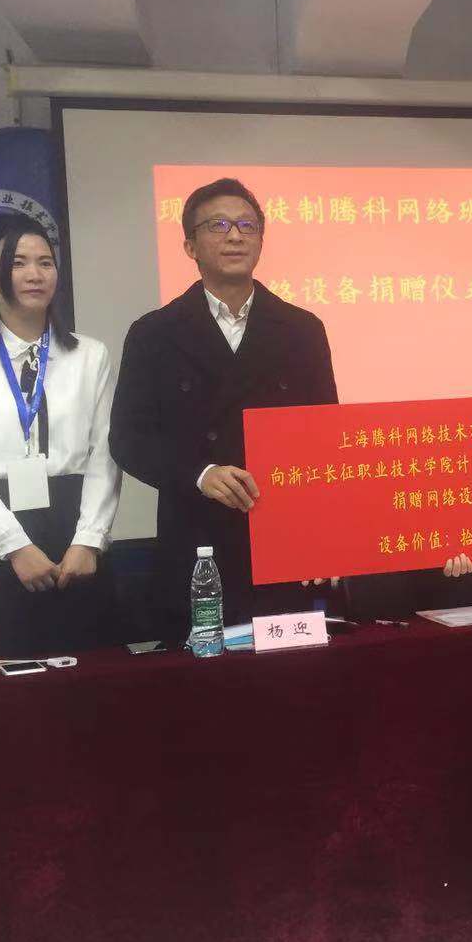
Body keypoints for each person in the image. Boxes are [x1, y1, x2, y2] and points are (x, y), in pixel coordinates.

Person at [110, 177, 339, 634]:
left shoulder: (302, 329)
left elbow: (326, 437)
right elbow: (129, 439)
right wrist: (200, 473)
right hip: (196, 541)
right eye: (218, 225)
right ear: (190, 246)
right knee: (203, 674)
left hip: (281, 539)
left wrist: (322, 537)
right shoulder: (154, 333)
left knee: (291, 672)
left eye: (247, 225)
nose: (235, 236)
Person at [0, 213, 121, 658]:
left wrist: (89, 539)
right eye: (17, 263)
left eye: (45, 262)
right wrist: (13, 546)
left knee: (91, 673)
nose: (35, 274)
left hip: (74, 529)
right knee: (3, 674)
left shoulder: (90, 355)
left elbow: (106, 455)